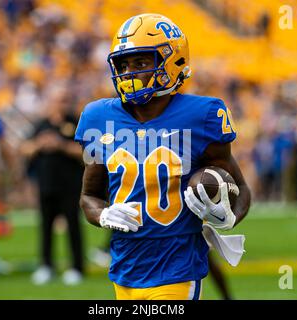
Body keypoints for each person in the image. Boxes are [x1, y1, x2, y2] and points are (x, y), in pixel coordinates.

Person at [74, 13, 251, 300]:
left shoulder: (201, 115)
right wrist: (104, 213)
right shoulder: (98, 117)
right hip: (125, 267)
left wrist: (228, 218)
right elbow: (89, 196)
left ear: (174, 61)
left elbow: (240, 187)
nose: (129, 72)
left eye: (141, 62)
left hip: (177, 266)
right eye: (123, 64)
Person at [20, 96, 85, 285]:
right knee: (45, 226)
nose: (60, 103)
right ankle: (46, 266)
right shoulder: (41, 125)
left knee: (73, 226)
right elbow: (24, 148)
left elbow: (87, 151)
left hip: (70, 185)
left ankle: (76, 267)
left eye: (64, 99)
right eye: (57, 100)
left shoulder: (75, 123)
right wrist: (40, 144)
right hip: (46, 185)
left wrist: (61, 145)